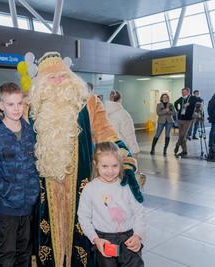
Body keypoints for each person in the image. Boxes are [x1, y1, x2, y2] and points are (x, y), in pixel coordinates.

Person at [30, 52, 142, 267]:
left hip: (80, 184)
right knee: (48, 233)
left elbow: (108, 134)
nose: (58, 81)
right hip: (45, 184)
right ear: (42, 83)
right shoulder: (33, 106)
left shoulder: (88, 102)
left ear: (70, 77)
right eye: (51, 78)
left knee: (81, 229)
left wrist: (125, 160)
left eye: (62, 76)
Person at [0, 82, 39, 267]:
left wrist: (33, 192)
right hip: (6, 210)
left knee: (24, 255)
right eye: (11, 104)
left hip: (28, 208)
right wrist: (8, 191)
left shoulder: (30, 133)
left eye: (19, 104)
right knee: (6, 256)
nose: (16, 109)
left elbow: (36, 165)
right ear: (1, 105)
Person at [78, 142, 145, 267]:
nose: (110, 171)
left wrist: (138, 235)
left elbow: (139, 212)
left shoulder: (127, 186)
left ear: (121, 164)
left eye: (115, 166)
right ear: (95, 164)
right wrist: (95, 239)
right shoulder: (90, 189)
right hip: (104, 240)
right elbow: (83, 217)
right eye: (104, 166)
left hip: (129, 239)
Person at [105, 90, 140, 155]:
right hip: (122, 149)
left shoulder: (104, 113)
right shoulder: (123, 114)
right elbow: (129, 134)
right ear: (120, 99)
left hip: (107, 148)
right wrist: (134, 150)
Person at [173, 87, 198, 156]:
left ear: (188, 92)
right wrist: (178, 110)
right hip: (181, 118)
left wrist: (188, 104)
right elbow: (175, 103)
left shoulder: (192, 98)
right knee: (182, 135)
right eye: (182, 92)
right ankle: (184, 151)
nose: (182, 93)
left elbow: (196, 102)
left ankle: (177, 145)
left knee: (183, 134)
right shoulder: (181, 98)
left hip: (188, 119)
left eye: (184, 92)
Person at [208, 94, 215, 161]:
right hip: (214, 118)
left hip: (213, 118)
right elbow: (210, 109)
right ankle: (212, 145)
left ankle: (212, 144)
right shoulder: (213, 99)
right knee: (213, 132)